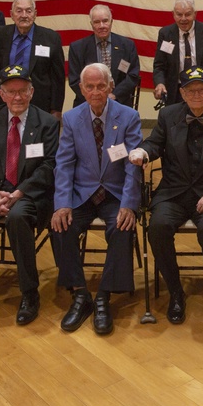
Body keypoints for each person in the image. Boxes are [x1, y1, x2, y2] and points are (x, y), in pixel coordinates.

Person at [129, 67, 203, 332]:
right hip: (174, 192)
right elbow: (155, 143)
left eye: (202, 89)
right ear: (181, 93)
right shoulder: (168, 115)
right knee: (156, 228)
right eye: (190, 90)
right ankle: (176, 292)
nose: (196, 94)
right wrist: (143, 153)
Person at [52, 63, 142, 335]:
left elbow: (132, 166)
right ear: (81, 89)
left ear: (110, 87)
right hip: (82, 193)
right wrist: (62, 204)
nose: (95, 91)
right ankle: (80, 293)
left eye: (100, 86)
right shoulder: (71, 118)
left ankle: (103, 295)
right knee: (60, 226)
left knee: (122, 228)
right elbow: (64, 164)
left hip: (115, 192)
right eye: (89, 87)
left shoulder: (129, 116)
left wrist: (128, 204)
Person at [0, 66, 60, 327]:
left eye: (22, 91)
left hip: (29, 193)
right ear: (1, 95)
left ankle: (29, 293)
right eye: (11, 92)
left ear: (31, 92)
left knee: (18, 218)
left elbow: (49, 165)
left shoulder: (47, 123)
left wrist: (19, 192)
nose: (17, 97)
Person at [0, 0, 66, 118]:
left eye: (28, 11)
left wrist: (56, 109)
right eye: (19, 11)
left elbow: (58, 78)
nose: (24, 15)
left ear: (35, 14)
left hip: (40, 104)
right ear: (11, 15)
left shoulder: (51, 38)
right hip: (7, 102)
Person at [152, 0, 203, 106]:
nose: (183, 19)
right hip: (175, 92)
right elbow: (159, 66)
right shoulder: (165, 34)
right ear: (173, 15)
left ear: (195, 14)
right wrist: (160, 83)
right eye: (179, 14)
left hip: (202, 91)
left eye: (188, 14)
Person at [68, 4, 140, 108]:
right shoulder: (77, 48)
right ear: (91, 24)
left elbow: (133, 75)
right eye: (97, 22)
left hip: (119, 103)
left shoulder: (127, 45)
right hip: (86, 105)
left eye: (105, 21)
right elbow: (75, 80)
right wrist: (94, 97)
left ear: (111, 22)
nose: (102, 26)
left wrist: (114, 95)